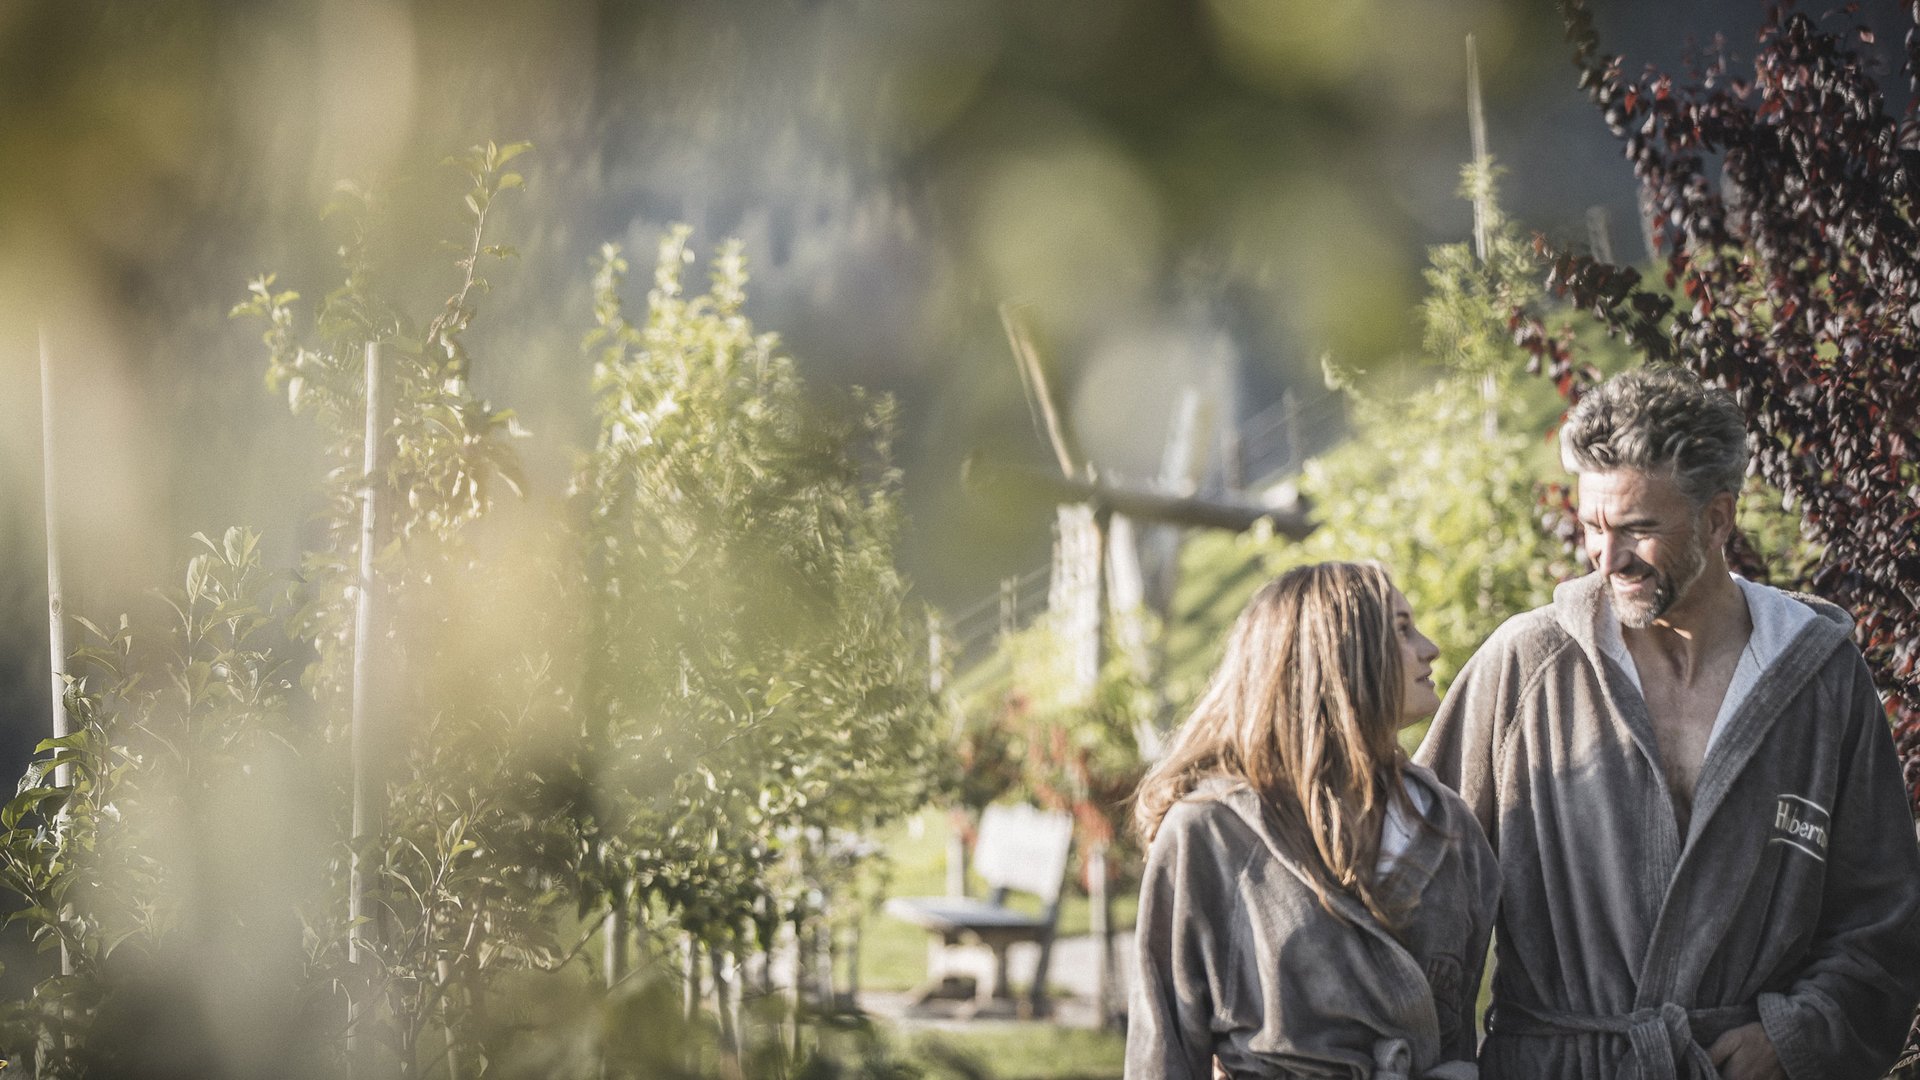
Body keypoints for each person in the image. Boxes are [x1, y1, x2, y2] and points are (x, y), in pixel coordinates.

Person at [1417, 366, 1920, 1079]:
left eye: (1638, 529)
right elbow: (1419, 894)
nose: (1608, 557)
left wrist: (1795, 1034)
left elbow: (1885, 911)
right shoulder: (1527, 666)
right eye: (1594, 526)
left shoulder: (1817, 678)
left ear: (1719, 519)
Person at [1127, 562, 1499, 1080]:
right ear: (1337, 654)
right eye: (1401, 629)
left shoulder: (1447, 829)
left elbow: (1456, 1032)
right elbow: (1161, 1050)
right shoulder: (1210, 832)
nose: (1430, 647)